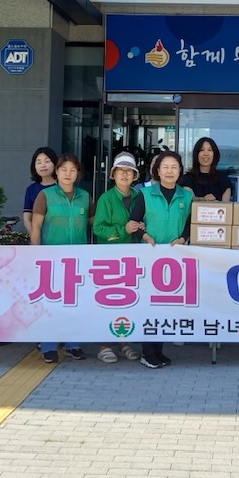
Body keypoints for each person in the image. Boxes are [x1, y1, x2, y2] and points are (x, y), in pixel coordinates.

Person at [129, 149, 192, 369]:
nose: (169, 171)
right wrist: (146, 236)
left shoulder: (187, 196)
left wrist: (183, 238)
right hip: (150, 257)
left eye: (174, 167)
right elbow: (134, 222)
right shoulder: (145, 194)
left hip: (175, 258)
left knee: (166, 305)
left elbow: (190, 223)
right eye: (165, 167)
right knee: (149, 305)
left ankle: (159, 350)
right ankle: (147, 352)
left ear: (180, 171)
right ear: (157, 170)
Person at [30, 152, 90, 364]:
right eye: (64, 169)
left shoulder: (85, 197)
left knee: (75, 304)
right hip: (51, 260)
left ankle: (73, 345)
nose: (68, 174)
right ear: (56, 171)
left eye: (72, 170)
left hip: (78, 260)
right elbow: (36, 227)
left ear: (78, 173)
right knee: (51, 305)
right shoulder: (45, 196)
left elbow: (95, 223)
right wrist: (35, 254)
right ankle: (49, 346)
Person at [90, 151, 144, 364]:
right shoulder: (106, 198)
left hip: (133, 258)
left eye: (129, 171)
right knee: (108, 302)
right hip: (110, 259)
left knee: (129, 302)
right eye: (120, 171)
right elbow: (98, 228)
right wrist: (124, 230)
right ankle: (104, 345)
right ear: (113, 174)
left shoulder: (140, 196)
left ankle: (124, 343)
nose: (124, 174)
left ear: (134, 175)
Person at [181, 136, 231, 202]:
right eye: (202, 150)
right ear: (196, 154)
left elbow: (226, 207)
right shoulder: (187, 179)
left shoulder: (224, 180)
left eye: (210, 150)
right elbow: (190, 202)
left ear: (215, 154)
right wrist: (203, 199)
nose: (206, 154)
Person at [22, 146, 57, 234]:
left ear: (55, 163)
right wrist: (35, 236)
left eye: (47, 161)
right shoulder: (31, 189)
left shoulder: (62, 187)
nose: (43, 165)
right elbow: (27, 218)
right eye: (39, 162)